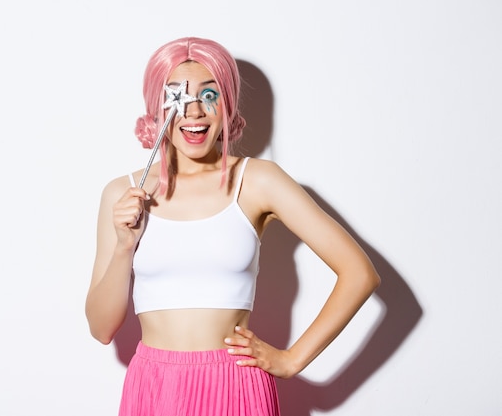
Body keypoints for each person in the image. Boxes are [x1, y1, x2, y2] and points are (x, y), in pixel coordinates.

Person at [85, 37, 380, 416]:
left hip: (235, 385)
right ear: (157, 109)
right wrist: (124, 246)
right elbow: (100, 328)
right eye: (177, 97)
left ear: (227, 105)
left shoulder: (259, 181)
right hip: (154, 386)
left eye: (210, 96)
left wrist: (292, 360)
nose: (193, 112)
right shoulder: (123, 193)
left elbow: (359, 273)